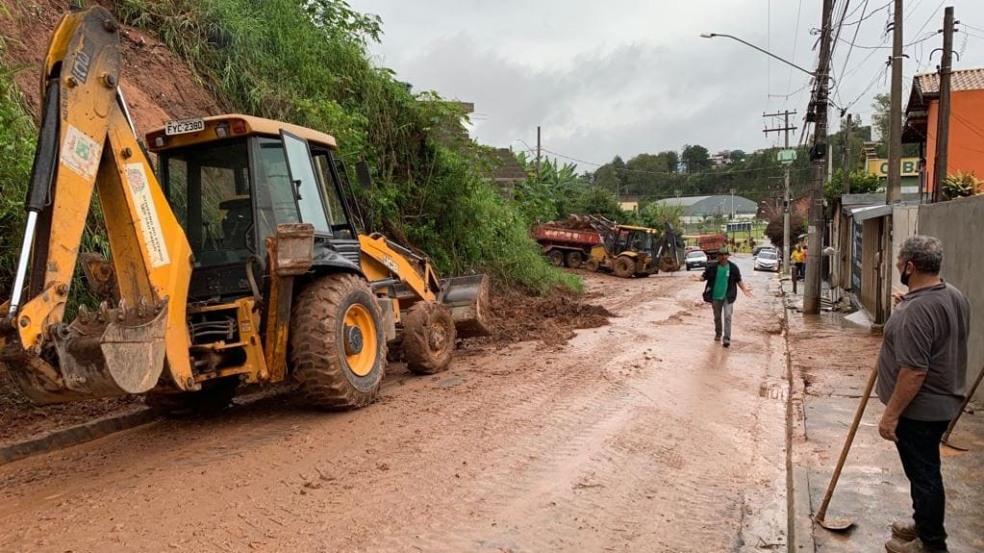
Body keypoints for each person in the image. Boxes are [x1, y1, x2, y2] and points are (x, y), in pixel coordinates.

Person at [878, 235, 969, 553]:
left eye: (899, 263)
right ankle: (923, 523)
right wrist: (908, 304)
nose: (898, 267)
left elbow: (914, 371)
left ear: (910, 266)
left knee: (924, 476)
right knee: (925, 472)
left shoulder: (916, 311)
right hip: (943, 402)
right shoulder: (952, 295)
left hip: (919, 411)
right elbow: (935, 332)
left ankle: (931, 543)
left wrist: (890, 415)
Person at [694, 248, 753, 347]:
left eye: (725, 255)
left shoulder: (733, 268)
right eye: (721, 255)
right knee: (717, 317)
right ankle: (718, 333)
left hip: (728, 296)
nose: (723, 257)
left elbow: (738, 279)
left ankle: (726, 339)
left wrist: (744, 289)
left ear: (728, 256)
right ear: (718, 257)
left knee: (727, 316)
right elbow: (705, 276)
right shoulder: (712, 267)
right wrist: (699, 279)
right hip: (715, 296)